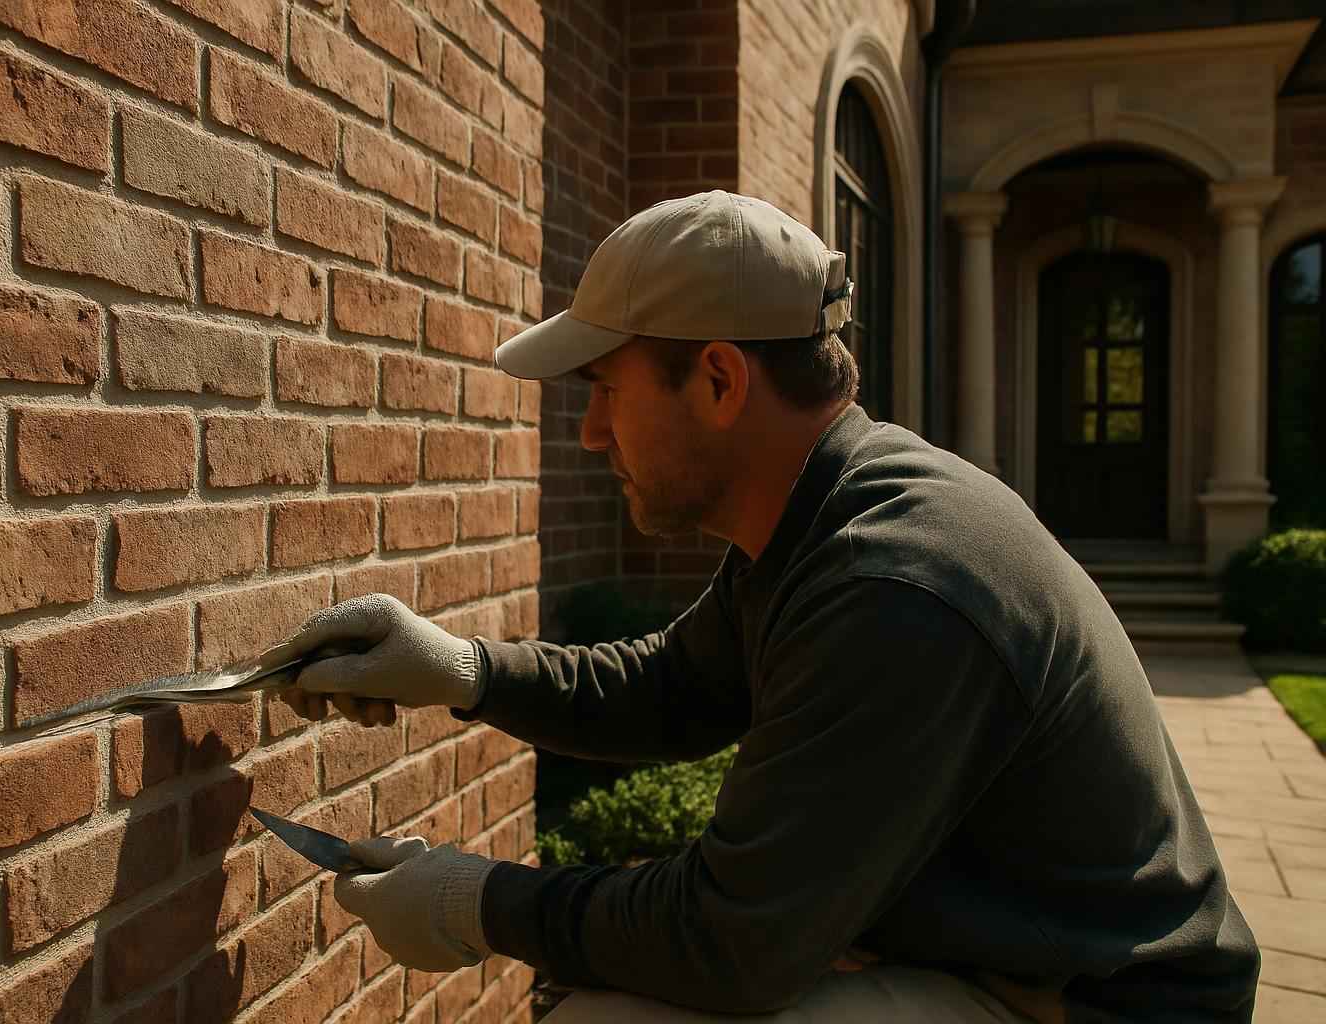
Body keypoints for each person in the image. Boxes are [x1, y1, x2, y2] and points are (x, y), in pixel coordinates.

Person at [281, 191, 1259, 1022]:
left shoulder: (893, 582)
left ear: (716, 379)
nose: (586, 433)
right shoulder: (827, 513)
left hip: (1100, 1003)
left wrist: (476, 904)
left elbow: (728, 942)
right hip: (1014, 957)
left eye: (605, 390)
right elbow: (675, 687)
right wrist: (462, 670)